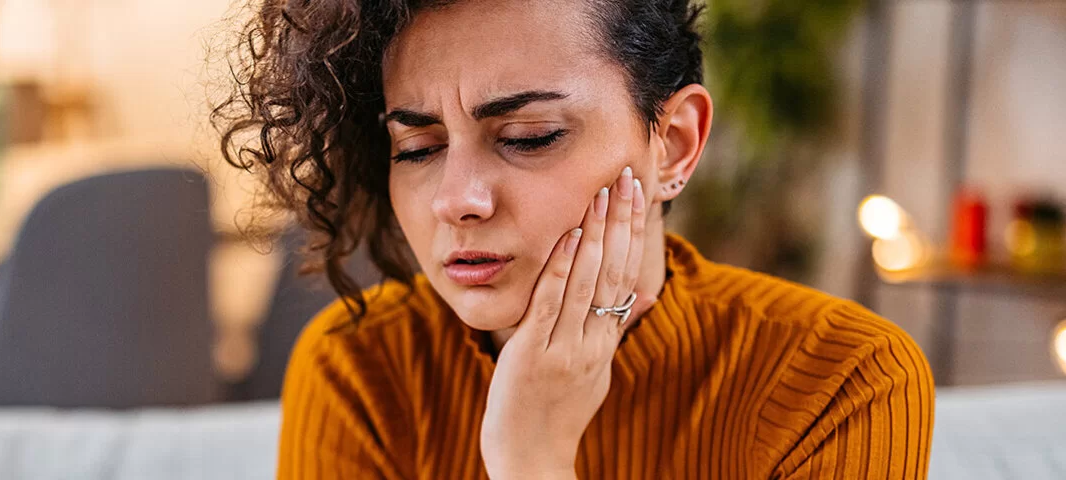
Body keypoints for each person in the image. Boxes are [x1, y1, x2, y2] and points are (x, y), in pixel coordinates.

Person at [213, 0, 935, 478]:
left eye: (531, 138)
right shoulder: (359, 372)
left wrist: (533, 458)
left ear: (673, 146)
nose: (458, 200)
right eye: (418, 148)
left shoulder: (843, 381)